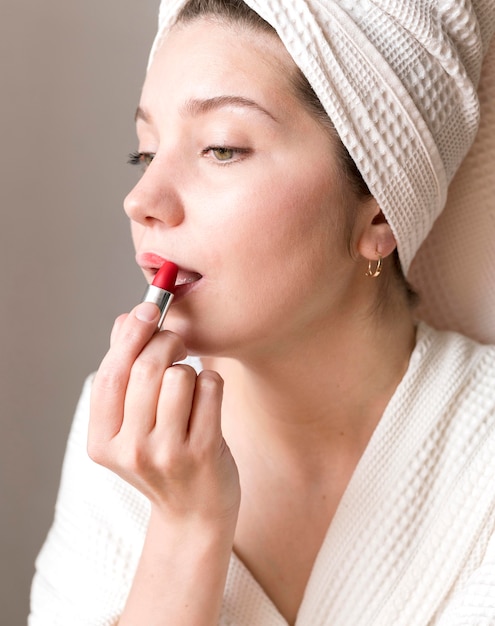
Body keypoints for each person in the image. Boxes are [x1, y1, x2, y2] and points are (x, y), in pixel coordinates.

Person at [29, 1, 495, 624]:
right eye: (144, 152)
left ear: (380, 209)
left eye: (221, 149)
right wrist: (185, 530)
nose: (141, 200)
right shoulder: (122, 434)